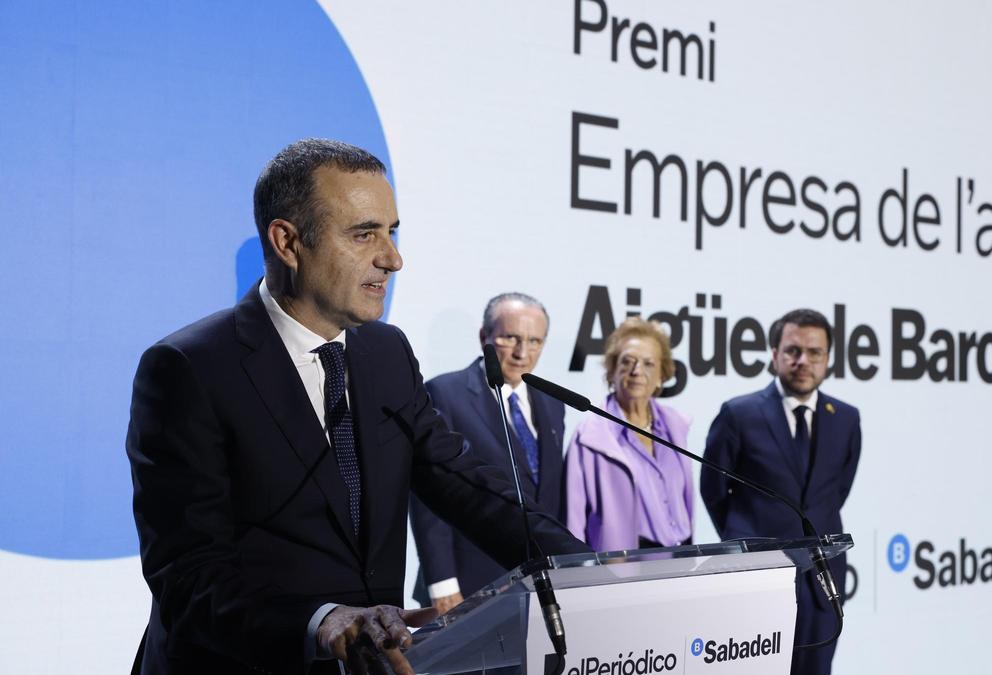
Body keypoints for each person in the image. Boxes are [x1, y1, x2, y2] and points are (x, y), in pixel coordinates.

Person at [125, 138, 587, 675]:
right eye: (365, 233)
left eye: (392, 232)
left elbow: (463, 484)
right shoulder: (189, 368)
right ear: (288, 242)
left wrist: (584, 569)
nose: (392, 258)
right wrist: (319, 622)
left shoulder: (386, 353)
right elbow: (188, 573)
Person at [701, 308, 861, 675]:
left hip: (822, 582)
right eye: (792, 351)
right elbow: (712, 489)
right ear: (775, 355)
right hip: (758, 578)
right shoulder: (739, 413)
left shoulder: (847, 418)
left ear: (828, 359)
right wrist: (745, 540)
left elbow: (837, 490)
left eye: (814, 352)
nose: (803, 361)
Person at [410, 292, 566, 614]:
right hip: (466, 584)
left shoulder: (553, 402)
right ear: (485, 337)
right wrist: (442, 583)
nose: (523, 352)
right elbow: (428, 496)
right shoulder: (445, 393)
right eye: (511, 338)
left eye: (535, 341)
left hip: (533, 584)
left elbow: (546, 495)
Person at [564, 317, 693, 551]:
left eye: (648, 364)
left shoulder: (675, 427)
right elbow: (573, 521)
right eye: (627, 362)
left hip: (683, 558)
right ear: (612, 371)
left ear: (662, 375)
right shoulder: (590, 436)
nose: (636, 371)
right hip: (626, 567)